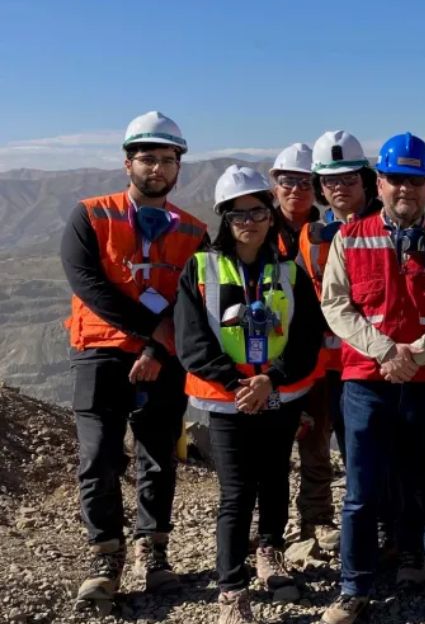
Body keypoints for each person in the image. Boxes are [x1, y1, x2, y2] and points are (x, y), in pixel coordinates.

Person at [319, 132, 425, 624]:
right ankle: (354, 588)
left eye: (415, 180)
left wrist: (419, 353)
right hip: (367, 381)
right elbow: (336, 304)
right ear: (380, 182)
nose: (404, 189)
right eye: (395, 180)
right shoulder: (349, 238)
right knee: (362, 492)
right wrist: (388, 351)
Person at [62, 111, 208, 607]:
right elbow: (90, 285)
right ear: (128, 163)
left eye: (168, 159)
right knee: (99, 455)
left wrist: (153, 347)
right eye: (148, 158)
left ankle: (155, 550)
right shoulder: (91, 215)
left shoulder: (194, 231)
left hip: (163, 356)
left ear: (178, 168)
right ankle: (106, 553)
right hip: (101, 351)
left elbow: (195, 298)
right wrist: (149, 332)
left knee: (158, 457)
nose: (158, 168)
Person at [174, 165, 324, 623]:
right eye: (239, 214)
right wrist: (239, 385)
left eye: (258, 211)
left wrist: (269, 380)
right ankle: (231, 590)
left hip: (277, 396)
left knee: (276, 478)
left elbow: (306, 336)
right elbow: (191, 340)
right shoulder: (200, 268)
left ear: (270, 214)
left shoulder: (288, 272)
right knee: (237, 492)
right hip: (228, 402)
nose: (250, 221)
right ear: (224, 218)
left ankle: (271, 553)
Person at [296, 130, 383, 554]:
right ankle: (329, 524)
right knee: (332, 449)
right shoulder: (311, 238)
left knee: (379, 452)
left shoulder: (388, 228)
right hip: (326, 365)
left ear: (366, 180)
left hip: (374, 362)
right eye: (330, 182)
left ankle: (392, 531)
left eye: (349, 179)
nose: (339, 189)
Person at [268, 141, 338, 551]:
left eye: (305, 182)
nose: (296, 189)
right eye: (287, 181)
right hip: (268, 357)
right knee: (271, 446)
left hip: (321, 356)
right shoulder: (255, 226)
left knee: (316, 440)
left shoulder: (330, 230)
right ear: (275, 185)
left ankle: (317, 518)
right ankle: (267, 533)